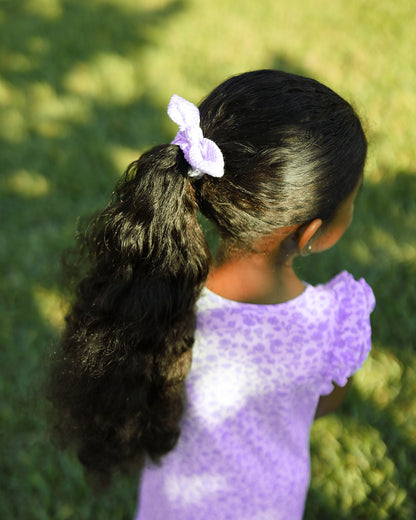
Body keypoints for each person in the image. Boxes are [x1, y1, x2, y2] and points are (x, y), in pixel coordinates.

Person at [48, 70, 375, 520]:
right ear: (310, 233)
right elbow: (327, 402)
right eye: (352, 199)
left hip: (170, 506)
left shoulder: (157, 299)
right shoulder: (337, 322)